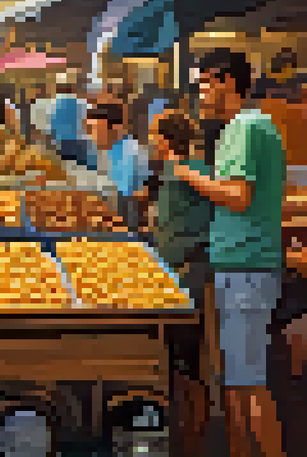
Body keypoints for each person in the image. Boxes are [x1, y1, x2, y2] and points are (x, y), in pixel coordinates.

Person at [173, 50, 287, 457]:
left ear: (225, 81)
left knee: (248, 384)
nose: (200, 93)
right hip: (240, 264)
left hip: (246, 267)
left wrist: (188, 176)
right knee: (236, 384)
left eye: (204, 83)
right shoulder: (246, 127)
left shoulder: (246, 127)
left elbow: (238, 196)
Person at [149, 110, 215, 457]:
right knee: (176, 361)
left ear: (165, 140)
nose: (150, 140)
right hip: (176, 273)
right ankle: (183, 433)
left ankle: (195, 439)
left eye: (154, 134)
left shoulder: (190, 173)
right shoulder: (172, 172)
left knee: (188, 361)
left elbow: (197, 224)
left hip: (190, 274)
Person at [85, 102, 149, 229]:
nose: (91, 136)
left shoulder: (131, 152)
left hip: (129, 223)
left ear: (115, 128)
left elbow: (128, 199)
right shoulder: (106, 151)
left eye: (95, 130)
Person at [48, 73, 93, 168]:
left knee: (66, 168)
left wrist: (53, 141)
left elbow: (52, 125)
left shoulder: (54, 104)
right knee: (83, 168)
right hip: (78, 140)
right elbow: (85, 122)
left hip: (61, 142)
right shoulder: (80, 103)